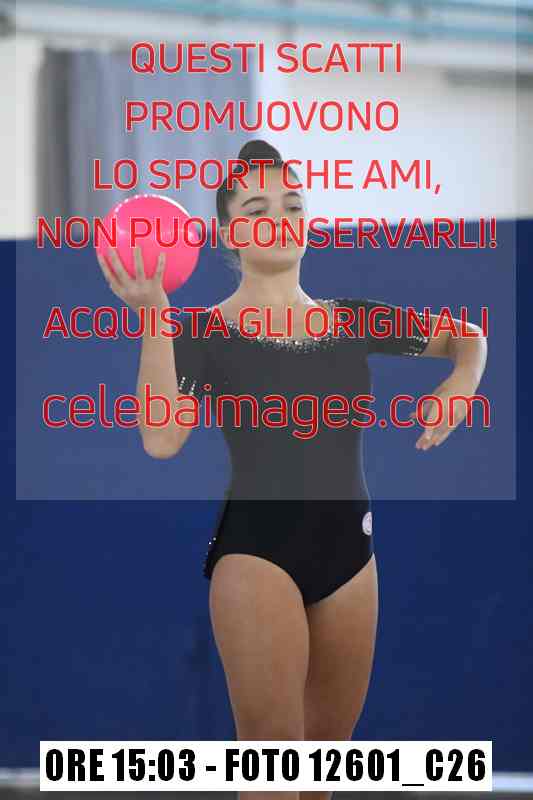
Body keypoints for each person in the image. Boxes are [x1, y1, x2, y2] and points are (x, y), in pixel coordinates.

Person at [97, 139, 487, 799]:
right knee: (274, 776)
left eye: (292, 204)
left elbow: (466, 338)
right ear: (229, 234)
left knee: (318, 780)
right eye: (256, 208)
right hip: (257, 556)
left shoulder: (351, 319)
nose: (278, 217)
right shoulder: (200, 332)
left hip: (351, 558)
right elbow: (162, 438)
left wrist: (460, 383)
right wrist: (155, 316)